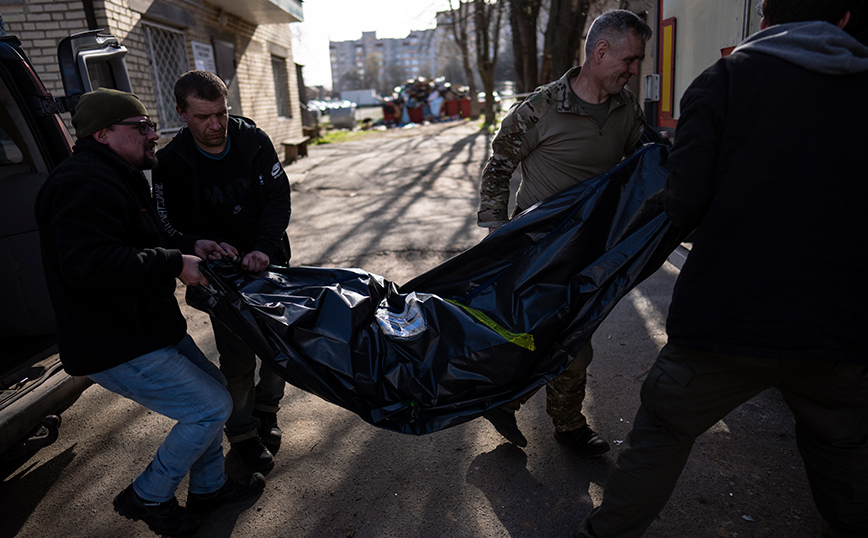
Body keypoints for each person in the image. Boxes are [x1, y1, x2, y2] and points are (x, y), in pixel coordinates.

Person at [575, 1, 868, 536]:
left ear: (764, 18)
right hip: (839, 320)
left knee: (662, 431)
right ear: (845, 18)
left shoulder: (725, 82)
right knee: (843, 449)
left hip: (728, 314)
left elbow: (685, 202)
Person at [34, 88, 266, 537]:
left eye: (151, 125)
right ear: (103, 133)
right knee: (210, 407)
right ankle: (149, 495)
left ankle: (209, 488)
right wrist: (175, 264)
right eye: (141, 127)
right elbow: (89, 264)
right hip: (114, 341)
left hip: (148, 328)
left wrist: (190, 245)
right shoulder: (81, 183)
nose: (153, 135)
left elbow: (142, 238)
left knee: (214, 393)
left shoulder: (115, 174)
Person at [476, 9, 652, 456]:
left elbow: (643, 163)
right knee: (566, 339)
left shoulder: (626, 108)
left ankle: (509, 402)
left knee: (569, 333)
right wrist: (497, 229)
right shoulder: (542, 108)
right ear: (600, 51)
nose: (635, 71)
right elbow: (499, 164)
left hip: (592, 246)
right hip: (540, 247)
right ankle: (567, 424)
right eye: (629, 60)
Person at [153, 71, 292, 473]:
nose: (215, 125)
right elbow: (166, 224)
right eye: (203, 117)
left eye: (221, 113)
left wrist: (263, 248)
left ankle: (267, 410)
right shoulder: (171, 161)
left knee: (281, 349)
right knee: (238, 358)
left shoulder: (253, 141)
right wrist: (199, 242)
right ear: (182, 114)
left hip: (269, 261)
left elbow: (278, 199)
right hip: (220, 275)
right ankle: (243, 432)